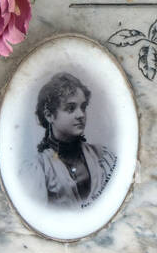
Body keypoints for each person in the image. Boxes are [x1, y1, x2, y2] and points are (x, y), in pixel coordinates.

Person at [23, 72, 117, 209]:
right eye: (70, 108)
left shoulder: (101, 156)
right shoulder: (40, 168)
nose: (81, 115)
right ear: (50, 115)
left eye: (83, 107)